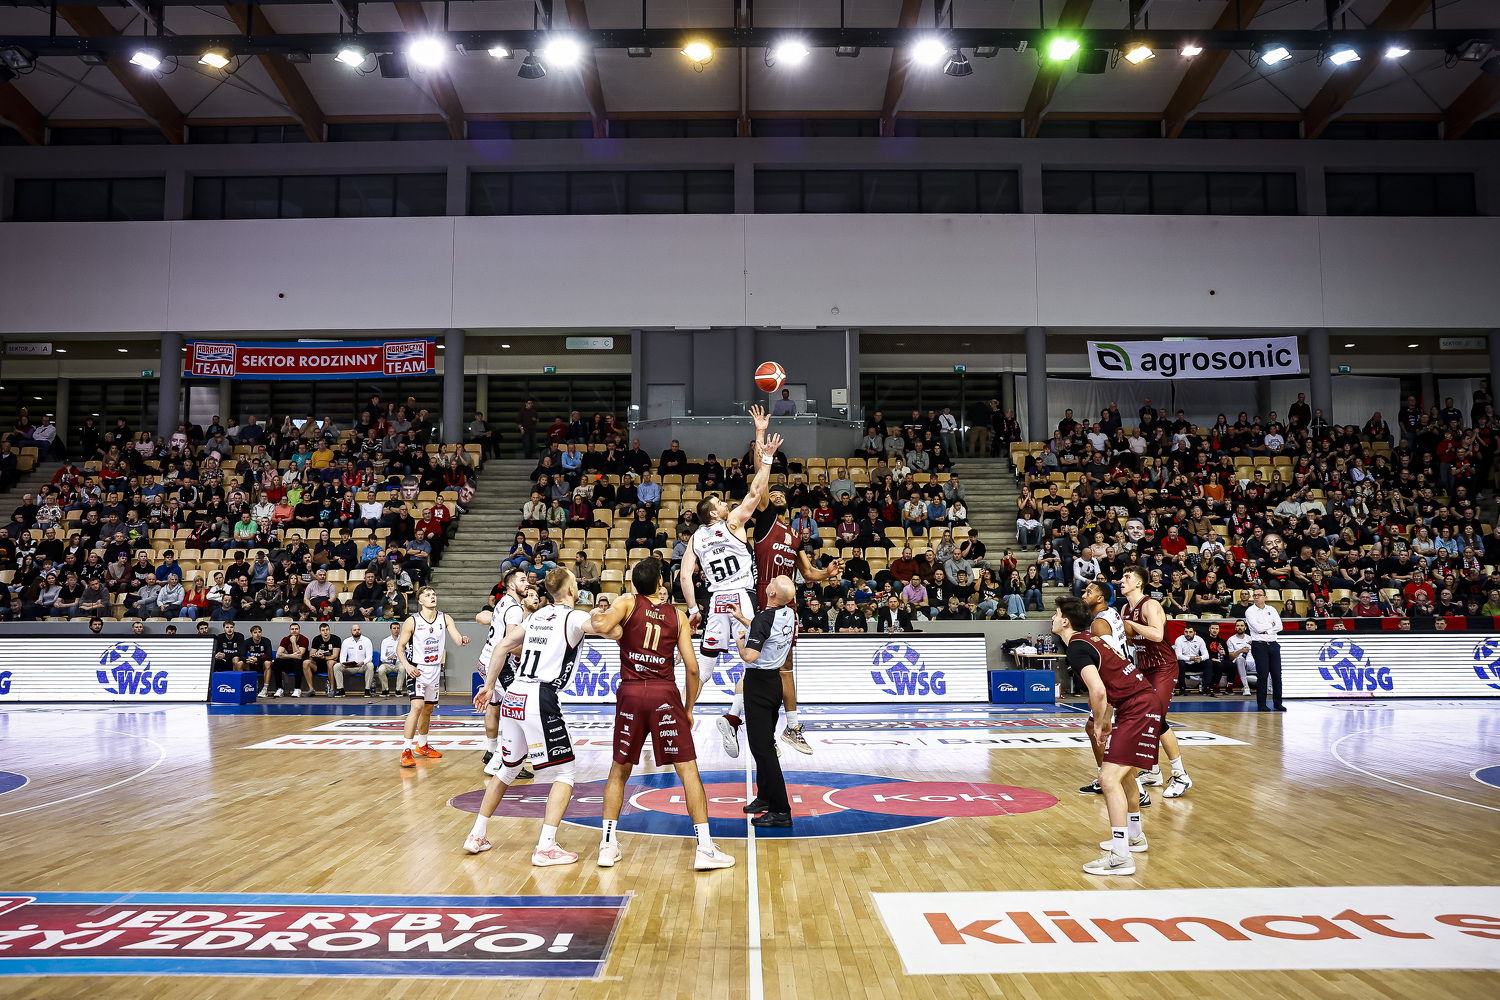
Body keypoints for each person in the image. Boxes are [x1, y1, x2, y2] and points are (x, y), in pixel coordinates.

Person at [587, 557, 735, 871]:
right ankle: (705, 849)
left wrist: (602, 616)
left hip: (630, 692)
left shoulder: (627, 604)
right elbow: (692, 669)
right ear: (660, 584)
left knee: (618, 771)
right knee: (688, 771)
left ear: (634, 584)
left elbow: (600, 626)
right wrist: (688, 708)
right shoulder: (677, 616)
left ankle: (607, 846)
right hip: (664, 694)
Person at [720, 409, 843, 756]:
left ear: (787, 499)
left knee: (781, 668)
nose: (774, 498)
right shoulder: (766, 522)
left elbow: (809, 574)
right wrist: (760, 437)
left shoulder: (794, 534)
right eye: (770, 496)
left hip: (788, 605)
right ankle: (772, 723)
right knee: (765, 665)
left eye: (779, 495)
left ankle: (754, 721)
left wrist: (828, 573)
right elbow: (758, 482)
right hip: (765, 600)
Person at [467, 568, 606, 865]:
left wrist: (489, 686)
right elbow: (602, 627)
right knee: (565, 773)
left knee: (508, 769)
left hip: (514, 693)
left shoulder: (536, 616)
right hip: (539, 695)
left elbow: (502, 645)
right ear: (572, 590)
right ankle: (546, 847)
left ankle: (476, 834)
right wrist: (602, 611)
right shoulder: (573, 617)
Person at [1055, 595, 1162, 876]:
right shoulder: (1091, 639)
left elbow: (1099, 691)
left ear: (1065, 621)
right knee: (1125, 774)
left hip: (1138, 706)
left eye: (1055, 614)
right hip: (1139, 702)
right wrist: (1108, 719)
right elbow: (1112, 682)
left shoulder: (1076, 647)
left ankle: (1121, 856)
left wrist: (1100, 722)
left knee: (1107, 778)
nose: (1052, 618)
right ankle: (1134, 837)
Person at [681, 420, 781, 670]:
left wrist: (693, 610)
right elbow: (756, 492)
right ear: (714, 514)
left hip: (717, 600)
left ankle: (690, 697)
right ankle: (746, 695)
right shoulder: (732, 523)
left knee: (706, 665)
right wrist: (767, 458)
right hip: (742, 595)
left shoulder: (696, 537)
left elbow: (684, 577)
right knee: (751, 658)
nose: (725, 503)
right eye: (720, 503)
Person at [730, 577, 799, 829]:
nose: (769, 581)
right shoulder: (788, 613)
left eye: (773, 582)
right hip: (774, 683)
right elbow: (765, 630)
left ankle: (781, 810)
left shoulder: (763, 619)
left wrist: (740, 644)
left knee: (762, 749)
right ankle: (765, 796)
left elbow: (750, 656)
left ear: (771, 593)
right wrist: (743, 619)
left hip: (758, 685)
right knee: (765, 742)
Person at [1119, 565, 1193, 799]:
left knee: (1156, 718)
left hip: (1163, 667)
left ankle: (1181, 775)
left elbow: (1157, 635)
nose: (1122, 580)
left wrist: (1131, 625)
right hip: (1144, 667)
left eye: (1127, 577)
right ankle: (1152, 771)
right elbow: (1133, 640)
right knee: (1143, 718)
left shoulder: (1150, 605)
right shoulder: (1125, 608)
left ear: (1139, 582)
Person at [396, 586, 471, 768]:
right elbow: (400, 647)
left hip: (435, 669)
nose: (432, 597)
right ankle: (406, 750)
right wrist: (407, 666)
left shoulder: (445, 618)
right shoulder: (412, 621)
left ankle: (422, 745)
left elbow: (457, 639)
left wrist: (462, 641)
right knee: (417, 707)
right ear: (420, 601)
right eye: (427, 595)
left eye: (434, 594)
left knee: (428, 709)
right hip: (417, 669)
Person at [474, 568, 536, 778]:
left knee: (500, 709)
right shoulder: (515, 609)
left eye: (527, 580)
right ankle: (501, 761)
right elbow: (511, 645)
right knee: (520, 712)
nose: (527, 583)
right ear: (511, 585)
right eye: (522, 580)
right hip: (499, 666)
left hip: (487, 660)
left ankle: (495, 753)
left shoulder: (502, 602)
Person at [1245, 587, 1285, 712]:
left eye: (1259, 595)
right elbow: (1257, 628)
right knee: (1262, 675)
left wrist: (1267, 630)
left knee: (1277, 675)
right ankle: (1261, 704)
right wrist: (1271, 625)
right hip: (1259, 645)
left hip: (1273, 644)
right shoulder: (1250, 611)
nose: (1256, 597)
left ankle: (1278, 703)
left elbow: (1280, 626)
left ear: (1265, 597)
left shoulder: (1272, 609)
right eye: (1254, 595)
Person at [267, 621, 311, 698]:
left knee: (297, 661)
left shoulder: (304, 639)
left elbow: (299, 656)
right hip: (290, 662)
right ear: (289, 631)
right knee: (277, 662)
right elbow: (278, 654)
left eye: (296, 629)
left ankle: (297, 689)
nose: (294, 631)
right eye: (292, 629)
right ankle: (279, 689)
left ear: (299, 631)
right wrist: (291, 655)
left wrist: (293, 642)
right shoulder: (285, 639)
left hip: (301, 665)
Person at [335, 622, 375, 697]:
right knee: (337, 666)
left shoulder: (366, 640)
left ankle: (367, 690)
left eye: (358, 629)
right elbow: (342, 656)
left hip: (362, 666)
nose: (357, 631)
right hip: (350, 667)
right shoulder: (346, 641)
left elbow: (369, 656)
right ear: (351, 632)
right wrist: (345, 664)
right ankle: (341, 690)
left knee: (370, 665)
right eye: (354, 630)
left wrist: (363, 662)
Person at [1172, 625, 1210, 696]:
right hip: (1185, 664)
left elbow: (1206, 655)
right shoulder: (1179, 640)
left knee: (1208, 662)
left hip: (1196, 663)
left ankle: (1206, 688)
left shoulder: (1199, 639)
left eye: (1190, 632)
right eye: (1186, 632)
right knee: (1180, 663)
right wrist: (1190, 658)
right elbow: (1178, 656)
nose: (1188, 634)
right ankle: (1182, 688)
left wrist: (1200, 658)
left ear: (1194, 633)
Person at [377, 621, 403, 697]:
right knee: (381, 669)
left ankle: (398, 690)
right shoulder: (385, 641)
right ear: (391, 630)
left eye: (398, 628)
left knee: (402, 668)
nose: (396, 630)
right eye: (394, 628)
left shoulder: (403, 640)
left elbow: (408, 652)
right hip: (387, 663)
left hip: (399, 663)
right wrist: (389, 658)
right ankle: (385, 690)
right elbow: (382, 657)